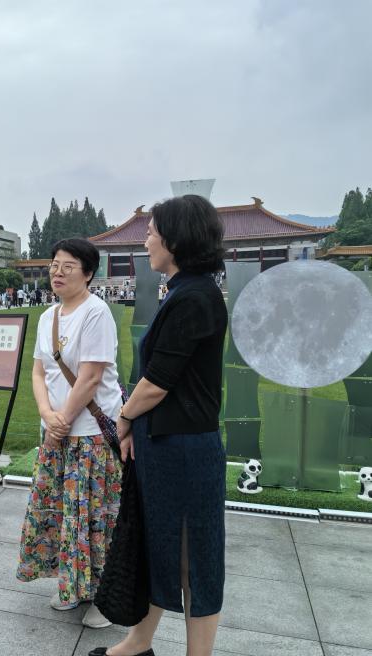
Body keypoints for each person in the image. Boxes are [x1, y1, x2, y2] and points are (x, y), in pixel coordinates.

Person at [93, 195, 228, 656]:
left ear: (176, 238)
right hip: (164, 444)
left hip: (183, 449)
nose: (146, 241)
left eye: (151, 232)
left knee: (194, 559)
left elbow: (157, 382)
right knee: (156, 544)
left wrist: (124, 416)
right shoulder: (185, 291)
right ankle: (139, 642)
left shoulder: (195, 297)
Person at [17, 238, 123, 630]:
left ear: (89, 273)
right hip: (57, 434)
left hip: (90, 436)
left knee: (95, 518)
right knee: (65, 515)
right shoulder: (49, 316)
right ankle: (74, 587)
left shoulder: (97, 313)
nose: (57, 272)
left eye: (68, 266)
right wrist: (48, 416)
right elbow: (38, 372)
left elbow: (91, 377)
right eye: (54, 265)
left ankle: (105, 599)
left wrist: (61, 420)